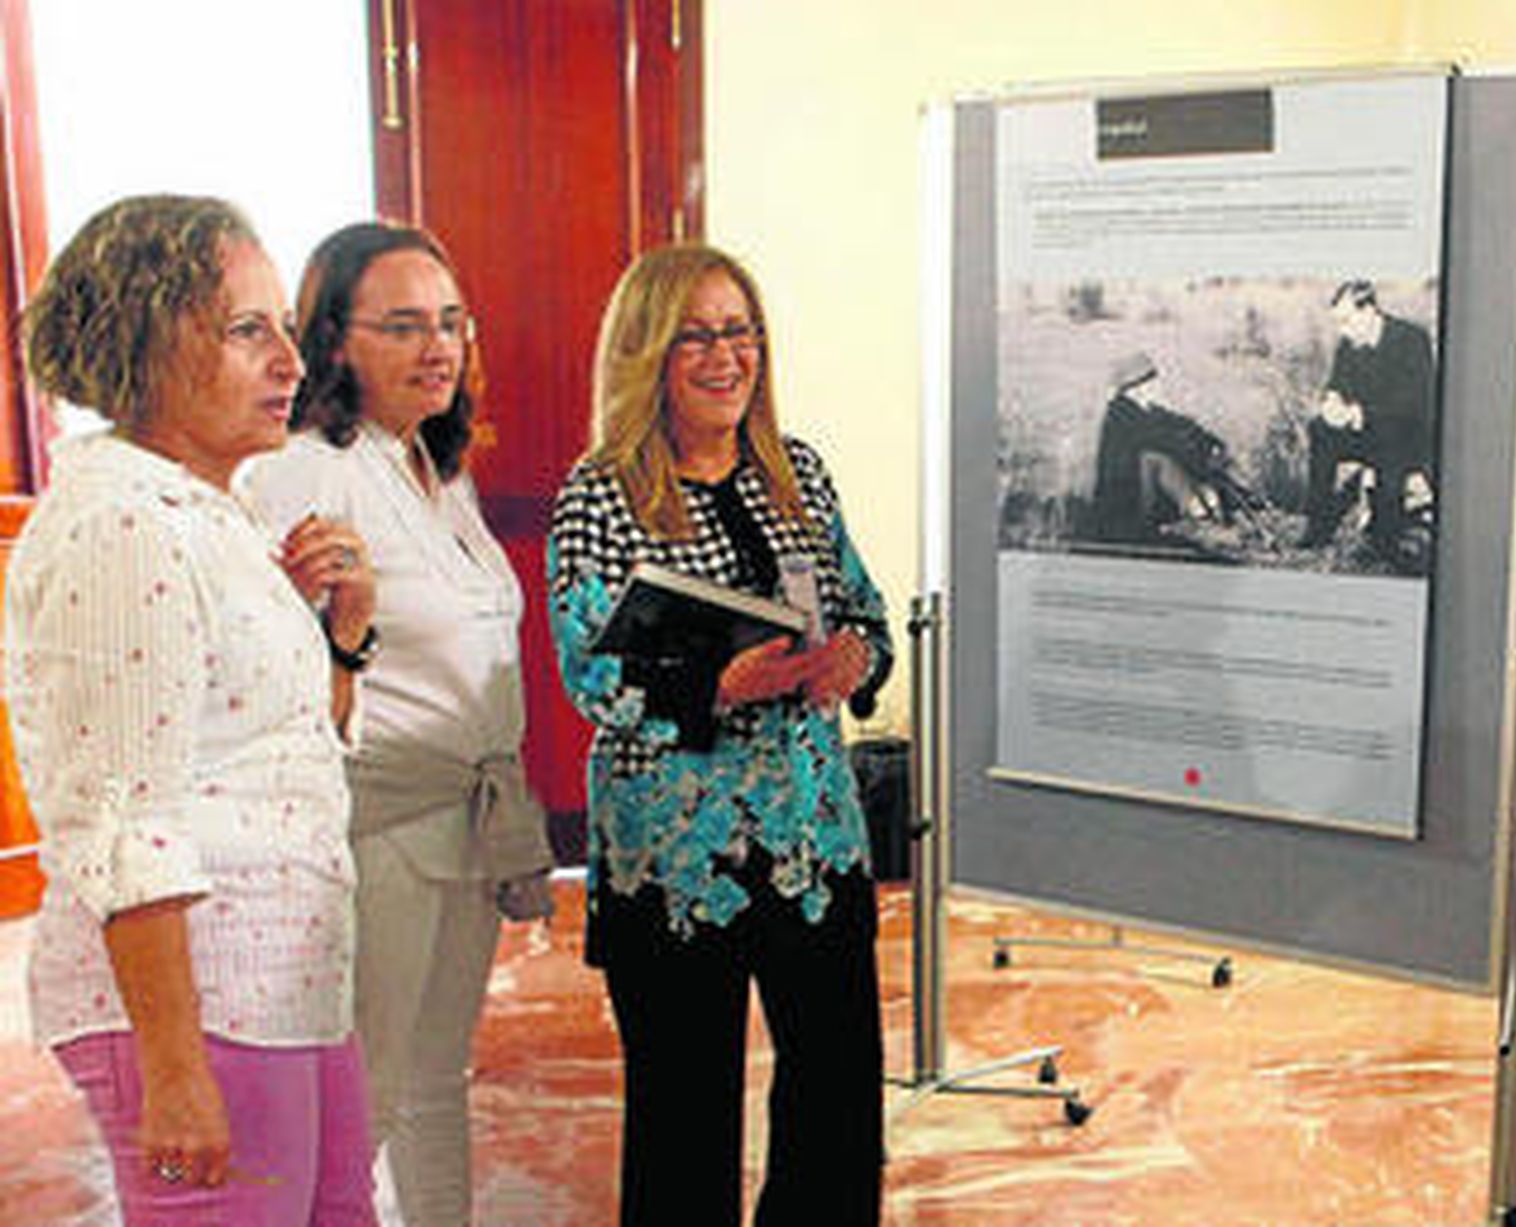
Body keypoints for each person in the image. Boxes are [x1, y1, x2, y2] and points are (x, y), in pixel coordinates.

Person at [3, 195, 378, 1224]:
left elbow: (274, 756)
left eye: (285, 332)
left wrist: (342, 634)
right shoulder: (123, 527)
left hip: (284, 984)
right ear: (146, 338)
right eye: (246, 329)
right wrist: (172, 1072)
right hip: (202, 1005)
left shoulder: (211, 514)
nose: (291, 364)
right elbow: (127, 822)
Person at [547, 244, 893, 1227]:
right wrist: (713, 684)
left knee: (834, 1094)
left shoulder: (801, 473)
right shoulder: (602, 490)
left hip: (808, 840)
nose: (723, 355)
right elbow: (589, 670)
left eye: (738, 331)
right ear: (647, 351)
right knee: (684, 1112)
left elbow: (861, 611)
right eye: (694, 334)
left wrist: (854, 660)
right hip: (676, 856)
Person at [243, 221, 554, 1227]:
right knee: (366, 1093)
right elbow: (269, 656)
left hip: (463, 813)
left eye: (452, 324)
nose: (438, 348)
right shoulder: (307, 468)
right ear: (333, 340)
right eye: (405, 325)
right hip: (379, 819)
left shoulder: (434, 463)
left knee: (436, 1077)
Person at [1301, 279, 1438, 569]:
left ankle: (1386, 539)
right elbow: (1336, 384)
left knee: (1392, 441)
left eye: (1347, 321)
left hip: (1407, 435)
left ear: (1370, 310)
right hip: (1365, 431)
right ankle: (1318, 524)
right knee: (1320, 430)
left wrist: (1358, 414)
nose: (1342, 330)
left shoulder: (1411, 339)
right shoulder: (1349, 342)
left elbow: (1413, 405)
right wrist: (1332, 403)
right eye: (1338, 323)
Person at [1091, 351, 1229, 544]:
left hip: (1142, 492)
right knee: (1157, 460)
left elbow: (1182, 425)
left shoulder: (1149, 411)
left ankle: (1213, 517)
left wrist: (1212, 444)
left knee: (1194, 466)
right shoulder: (1120, 415)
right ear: (1136, 388)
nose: (1157, 387)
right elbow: (1161, 438)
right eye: (1151, 383)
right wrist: (1198, 452)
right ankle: (1201, 521)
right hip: (1121, 504)